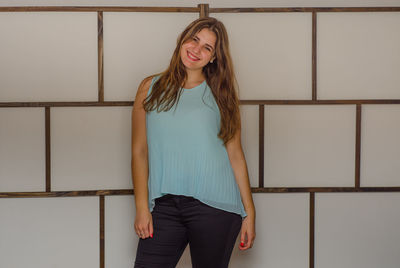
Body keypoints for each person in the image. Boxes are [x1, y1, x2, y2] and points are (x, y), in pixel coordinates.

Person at [131, 16, 256, 268]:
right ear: (182, 40)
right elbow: (139, 151)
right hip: (164, 207)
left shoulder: (222, 95)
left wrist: (249, 213)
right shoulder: (149, 87)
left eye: (207, 47)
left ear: (213, 57)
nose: (196, 50)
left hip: (216, 207)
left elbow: (235, 154)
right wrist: (142, 207)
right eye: (194, 39)